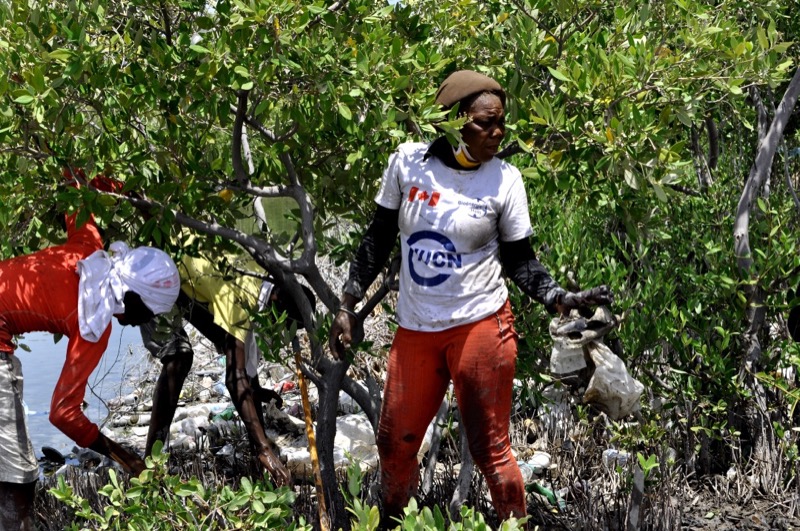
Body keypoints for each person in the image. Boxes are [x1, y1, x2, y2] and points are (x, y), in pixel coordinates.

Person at [328, 70, 613, 522]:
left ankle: (513, 524)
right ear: (452, 121)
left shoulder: (504, 180)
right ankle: (390, 520)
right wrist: (348, 303)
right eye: (485, 123)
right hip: (417, 328)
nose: (497, 134)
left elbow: (521, 260)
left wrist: (556, 296)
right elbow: (378, 238)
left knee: (489, 449)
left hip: (481, 325)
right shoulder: (408, 163)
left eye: (501, 123)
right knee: (394, 443)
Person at [0, 171, 181, 531]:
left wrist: (131, 188)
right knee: (18, 481)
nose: (140, 322)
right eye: (147, 312)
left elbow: (76, 185)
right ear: (130, 297)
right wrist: (121, 455)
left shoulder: (89, 247)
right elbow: (62, 413)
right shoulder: (94, 325)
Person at [140, 252, 315, 487]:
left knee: (227, 342)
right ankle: (149, 463)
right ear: (274, 304)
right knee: (178, 357)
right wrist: (264, 449)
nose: (279, 333)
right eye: (282, 324)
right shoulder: (239, 299)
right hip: (153, 272)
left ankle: (258, 467)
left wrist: (254, 389)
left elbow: (243, 363)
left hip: (189, 283)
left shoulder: (261, 280)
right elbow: (235, 379)